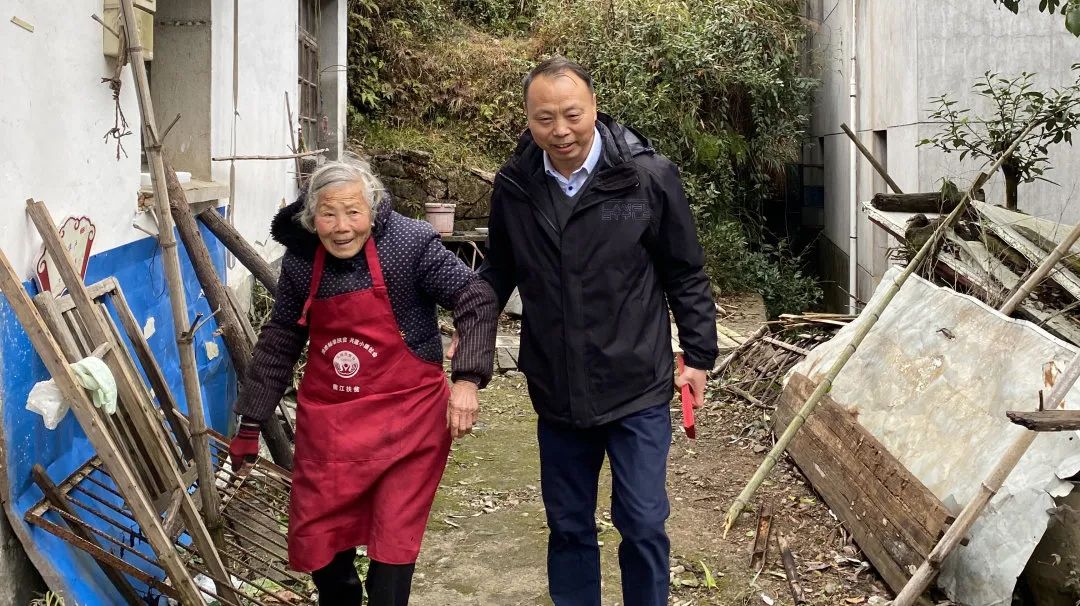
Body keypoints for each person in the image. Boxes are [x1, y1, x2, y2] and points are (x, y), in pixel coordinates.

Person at [478, 56, 719, 606]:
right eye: (545, 119)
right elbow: (498, 272)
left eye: (572, 115)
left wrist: (699, 356)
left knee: (643, 522)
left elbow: (684, 271)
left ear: (594, 108)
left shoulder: (644, 176)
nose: (560, 131)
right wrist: (468, 339)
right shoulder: (515, 186)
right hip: (557, 386)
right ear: (528, 118)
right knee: (568, 526)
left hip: (637, 382)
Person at [228, 156, 497, 606]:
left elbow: (475, 296)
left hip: (408, 425)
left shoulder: (409, 243)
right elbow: (281, 339)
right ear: (311, 217)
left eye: (353, 212)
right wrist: (251, 420)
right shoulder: (302, 260)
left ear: (372, 209)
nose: (342, 228)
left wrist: (467, 380)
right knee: (321, 545)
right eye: (328, 214)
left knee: (393, 544)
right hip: (331, 428)